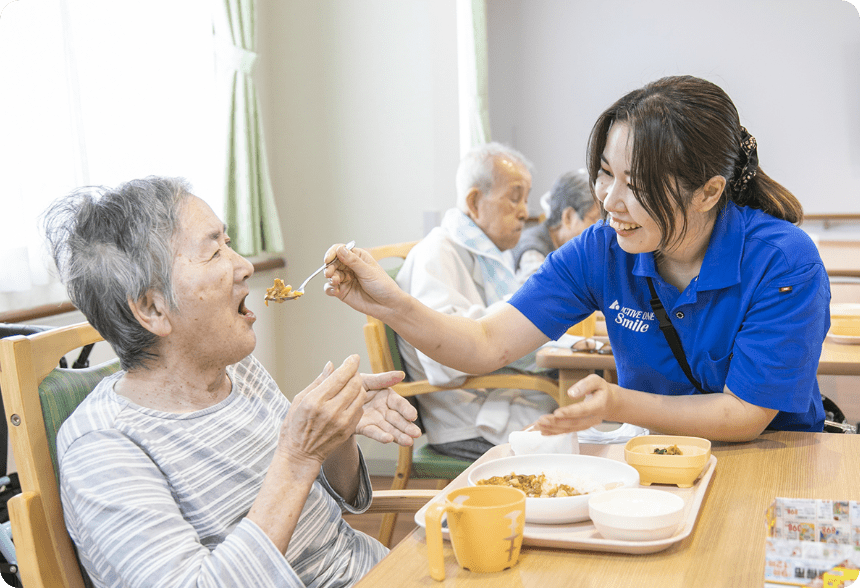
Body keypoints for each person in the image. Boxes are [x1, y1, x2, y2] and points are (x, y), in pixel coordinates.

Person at [324, 75, 828, 442]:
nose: (609, 201)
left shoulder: (783, 261)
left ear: (708, 192)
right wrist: (390, 304)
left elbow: (743, 415)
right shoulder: (602, 249)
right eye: (606, 173)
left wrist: (619, 402)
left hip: (772, 460)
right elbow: (485, 343)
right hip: (660, 461)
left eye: (637, 184)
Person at [42, 176, 421, 588]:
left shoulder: (239, 370)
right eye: (214, 251)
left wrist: (335, 435)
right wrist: (297, 457)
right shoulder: (103, 448)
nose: (245, 266)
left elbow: (325, 509)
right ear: (152, 308)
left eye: (229, 242)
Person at [392, 142, 558, 460]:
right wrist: (523, 317)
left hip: (500, 397)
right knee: (576, 442)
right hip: (468, 419)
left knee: (583, 416)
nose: (525, 212)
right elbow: (444, 359)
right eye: (514, 198)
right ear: (474, 201)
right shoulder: (436, 253)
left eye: (526, 199)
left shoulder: (489, 256)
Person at [510, 169, 601, 282]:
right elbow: (540, 290)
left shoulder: (570, 248)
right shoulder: (532, 254)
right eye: (595, 218)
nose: (600, 228)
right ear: (568, 217)